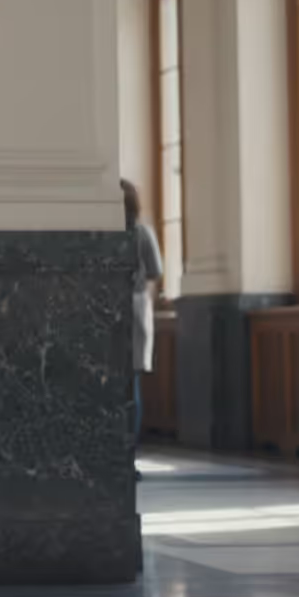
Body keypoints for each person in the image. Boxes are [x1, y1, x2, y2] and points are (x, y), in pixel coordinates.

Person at [123, 180, 163, 464]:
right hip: (136, 306)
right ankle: (128, 455)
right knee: (131, 383)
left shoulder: (109, 233)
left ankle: (121, 454)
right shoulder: (143, 233)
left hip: (122, 306)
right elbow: (155, 273)